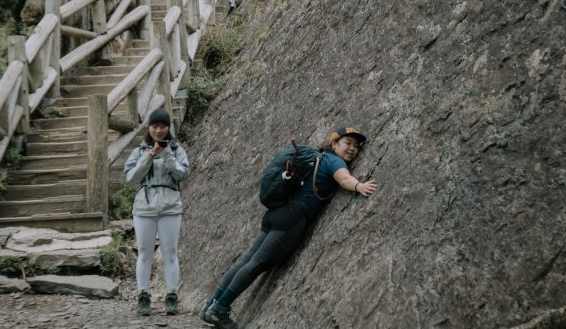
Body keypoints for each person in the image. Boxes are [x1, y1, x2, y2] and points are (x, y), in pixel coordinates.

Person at [199, 126, 377, 329]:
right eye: (348, 143)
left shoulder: (317, 157)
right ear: (335, 143)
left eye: (356, 146)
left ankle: (210, 305)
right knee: (255, 264)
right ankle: (220, 308)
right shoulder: (334, 161)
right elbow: (344, 178)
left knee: (246, 260)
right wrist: (359, 186)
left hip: (276, 214)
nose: (352, 149)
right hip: (292, 220)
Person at [124, 107, 191, 316]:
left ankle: (172, 296)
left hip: (170, 206)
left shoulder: (177, 149)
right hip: (144, 207)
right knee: (144, 253)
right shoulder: (139, 151)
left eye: (162, 126)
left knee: (170, 253)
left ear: (168, 127)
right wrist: (149, 156)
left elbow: (183, 174)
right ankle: (142, 296)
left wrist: (167, 154)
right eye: (155, 126)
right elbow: (131, 178)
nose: (159, 130)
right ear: (149, 127)